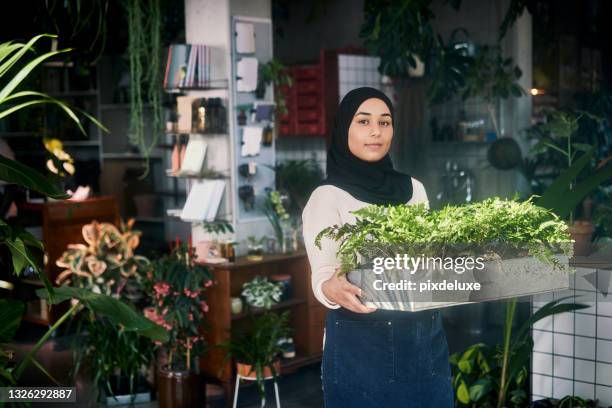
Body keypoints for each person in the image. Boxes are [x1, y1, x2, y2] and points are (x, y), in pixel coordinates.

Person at [302, 87, 453, 407]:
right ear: (345, 129)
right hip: (362, 345)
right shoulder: (327, 197)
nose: (375, 131)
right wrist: (332, 288)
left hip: (424, 341)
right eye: (363, 121)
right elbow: (324, 275)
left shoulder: (414, 189)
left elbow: (427, 258)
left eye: (385, 122)